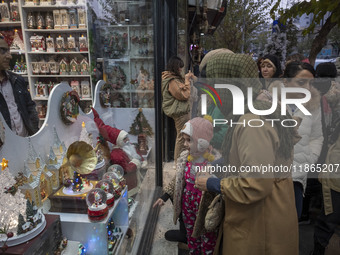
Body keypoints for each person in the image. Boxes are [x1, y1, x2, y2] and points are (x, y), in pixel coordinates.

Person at [195, 52, 299, 255]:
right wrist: (221, 164)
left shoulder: (252, 122)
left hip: (261, 224)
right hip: (264, 215)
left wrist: (212, 184)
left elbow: (256, 183)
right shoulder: (257, 107)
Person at [153, 116, 219, 254]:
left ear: (202, 142)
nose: (185, 144)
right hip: (187, 205)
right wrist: (165, 196)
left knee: (207, 236)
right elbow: (177, 180)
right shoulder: (185, 157)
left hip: (204, 208)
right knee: (191, 234)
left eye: (189, 140)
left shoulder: (213, 162)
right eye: (184, 140)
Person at [283, 62, 324, 219]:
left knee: (292, 222)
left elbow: (317, 136)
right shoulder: (268, 104)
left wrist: (309, 158)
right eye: (301, 82)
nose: (307, 88)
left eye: (311, 83)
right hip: (270, 176)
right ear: (286, 82)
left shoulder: (314, 106)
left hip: (297, 177)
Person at [92, 108, 143, 197]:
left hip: (134, 180)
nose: (128, 140)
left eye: (127, 137)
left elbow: (136, 153)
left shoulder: (127, 147)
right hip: (128, 183)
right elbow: (127, 169)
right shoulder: (117, 154)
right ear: (119, 141)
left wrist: (138, 158)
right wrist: (136, 162)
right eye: (125, 139)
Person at [0, 35, 39, 136]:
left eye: (8, 51)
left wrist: (33, 133)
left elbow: (30, 108)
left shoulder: (17, 80)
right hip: (6, 148)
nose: (9, 56)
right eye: (3, 51)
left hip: (26, 142)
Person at [162, 56, 197, 165]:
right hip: (180, 112)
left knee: (183, 136)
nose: (181, 70)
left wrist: (190, 78)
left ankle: (181, 160)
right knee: (182, 137)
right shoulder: (172, 81)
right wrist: (186, 80)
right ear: (175, 67)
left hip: (182, 111)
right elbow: (184, 95)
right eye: (179, 67)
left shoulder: (175, 78)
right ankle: (178, 163)